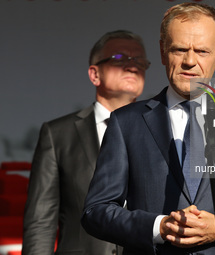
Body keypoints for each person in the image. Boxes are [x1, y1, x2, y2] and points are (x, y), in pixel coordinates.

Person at [81, 3, 215, 255]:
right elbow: (96, 211)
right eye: (179, 49)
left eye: (201, 51)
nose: (190, 61)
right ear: (162, 51)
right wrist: (159, 227)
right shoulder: (127, 123)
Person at [22, 30, 149, 255]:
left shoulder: (161, 129)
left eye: (139, 60)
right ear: (94, 74)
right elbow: (41, 222)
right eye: (119, 58)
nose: (132, 66)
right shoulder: (57, 134)